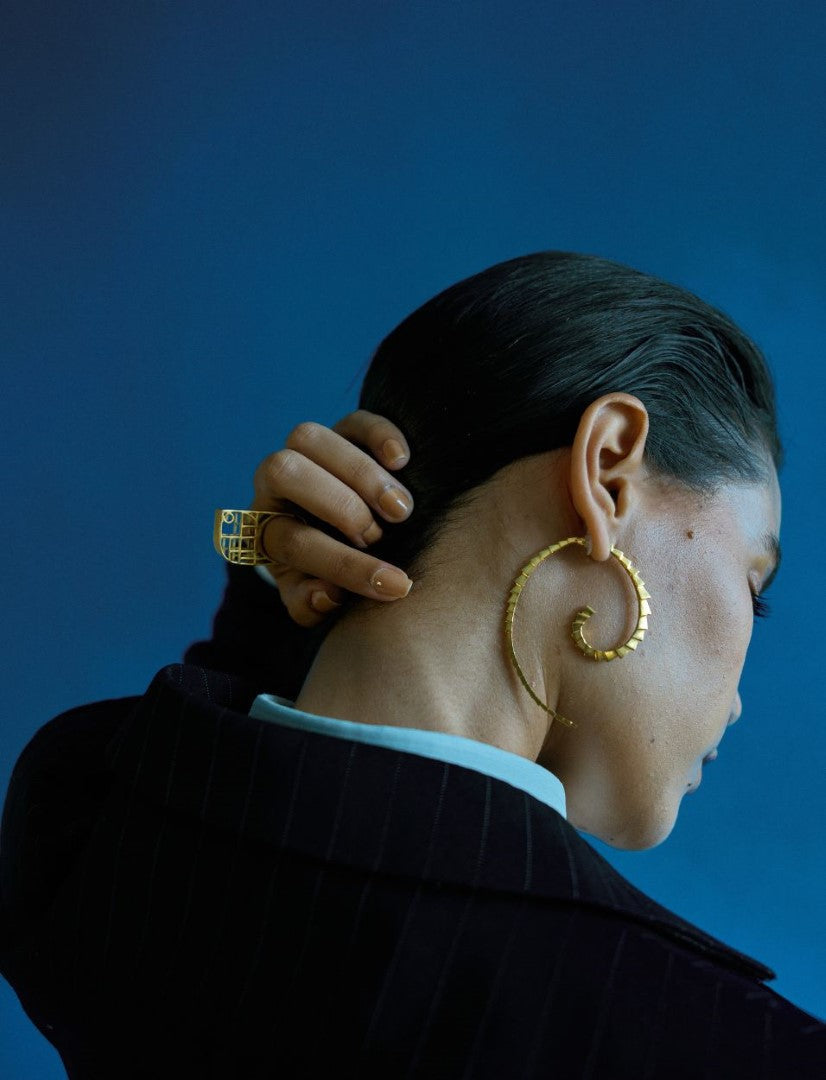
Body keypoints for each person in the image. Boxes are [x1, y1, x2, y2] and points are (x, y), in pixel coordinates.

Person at [1, 252, 823, 1077]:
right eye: (756, 587)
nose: (742, 701)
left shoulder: (80, 826)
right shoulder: (714, 1039)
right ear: (607, 473)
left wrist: (262, 567)